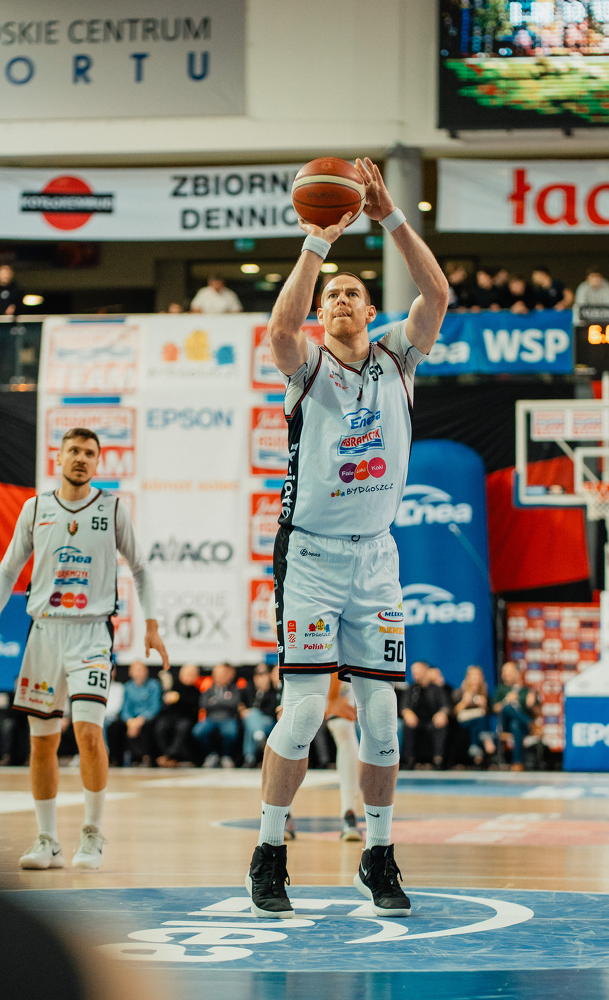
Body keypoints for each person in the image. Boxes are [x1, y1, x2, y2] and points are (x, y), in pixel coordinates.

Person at [244, 156, 448, 921]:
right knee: (302, 713)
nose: (338, 301)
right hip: (310, 556)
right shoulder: (305, 368)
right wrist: (316, 242)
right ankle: (269, 851)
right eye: (329, 295)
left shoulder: (398, 355)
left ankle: (378, 853)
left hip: (376, 558)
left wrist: (389, 214)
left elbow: (435, 294)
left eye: (351, 294)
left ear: (369, 311)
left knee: (381, 717)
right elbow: (277, 328)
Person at [0, 427, 169, 870]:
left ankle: (93, 832)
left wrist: (152, 625)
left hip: (92, 633)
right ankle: (47, 840)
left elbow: (141, 569)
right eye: (73, 451)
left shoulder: (111, 508)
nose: (81, 458)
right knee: (41, 742)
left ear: (98, 462)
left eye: (89, 453)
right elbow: (8, 568)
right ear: (58, 458)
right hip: (44, 632)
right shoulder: (35, 508)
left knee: (88, 732)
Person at [325, 673, 363, 841]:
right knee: (291, 727)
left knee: (342, 724)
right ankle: (282, 814)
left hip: (339, 667)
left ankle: (349, 813)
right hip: (302, 661)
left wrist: (332, 697)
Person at [192, 662, 247, 768]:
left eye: (223, 674)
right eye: (217, 674)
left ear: (227, 675)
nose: (220, 676)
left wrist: (215, 701)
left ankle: (226, 756)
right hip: (211, 718)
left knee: (231, 732)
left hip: (228, 718)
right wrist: (224, 702)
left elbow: (234, 703)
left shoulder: (234, 689)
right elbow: (203, 704)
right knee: (198, 731)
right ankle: (211, 754)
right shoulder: (208, 689)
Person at [400, 660, 452, 770]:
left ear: (425, 671)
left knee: (441, 724)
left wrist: (442, 713)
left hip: (432, 722)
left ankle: (438, 760)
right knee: (408, 724)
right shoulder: (411, 689)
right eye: (414, 673)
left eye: (418, 672)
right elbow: (404, 706)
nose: (415, 675)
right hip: (415, 722)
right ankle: (409, 760)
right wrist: (408, 713)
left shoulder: (436, 689)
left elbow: (445, 705)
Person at [110, 661, 162, 767]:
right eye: (136, 670)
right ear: (130, 672)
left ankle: (146, 758)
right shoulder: (128, 687)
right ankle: (115, 760)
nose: (139, 673)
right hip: (132, 719)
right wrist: (130, 721)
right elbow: (125, 709)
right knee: (115, 727)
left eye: (141, 670)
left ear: (146, 671)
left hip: (148, 718)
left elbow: (155, 707)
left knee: (150, 727)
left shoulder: (154, 685)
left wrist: (140, 720)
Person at [492, 660, 539, 772]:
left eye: (508, 672)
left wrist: (532, 704)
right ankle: (529, 722)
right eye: (503, 672)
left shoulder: (527, 691)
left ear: (518, 673)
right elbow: (494, 709)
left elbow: (538, 712)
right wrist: (506, 701)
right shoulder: (501, 689)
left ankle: (517, 763)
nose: (504, 675)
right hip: (504, 726)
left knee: (516, 724)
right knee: (507, 707)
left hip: (523, 728)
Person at [154, 661, 200, 767]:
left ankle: (170, 756)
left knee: (182, 727)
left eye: (190, 674)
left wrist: (179, 698)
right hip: (170, 717)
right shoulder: (173, 687)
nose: (187, 677)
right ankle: (167, 755)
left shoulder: (195, 691)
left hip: (186, 718)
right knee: (161, 726)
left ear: (196, 677)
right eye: (186, 674)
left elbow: (193, 705)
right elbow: (164, 706)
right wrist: (167, 699)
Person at [452, 665, 496, 767]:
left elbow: (490, 713)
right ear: (468, 677)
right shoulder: (460, 692)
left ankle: (475, 747)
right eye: (473, 676)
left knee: (480, 721)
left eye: (478, 676)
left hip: (478, 725)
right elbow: (454, 712)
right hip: (463, 723)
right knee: (480, 720)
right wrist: (464, 703)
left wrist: (484, 706)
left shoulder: (485, 694)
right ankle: (486, 740)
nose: (476, 679)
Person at [239, 663, 279, 767]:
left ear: (269, 676)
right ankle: (259, 737)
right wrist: (242, 710)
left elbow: (272, 711)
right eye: (258, 675)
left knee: (251, 719)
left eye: (264, 674)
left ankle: (249, 758)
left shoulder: (273, 691)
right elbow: (240, 704)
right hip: (252, 721)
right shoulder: (249, 690)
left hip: (268, 720)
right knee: (251, 721)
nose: (261, 678)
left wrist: (253, 713)